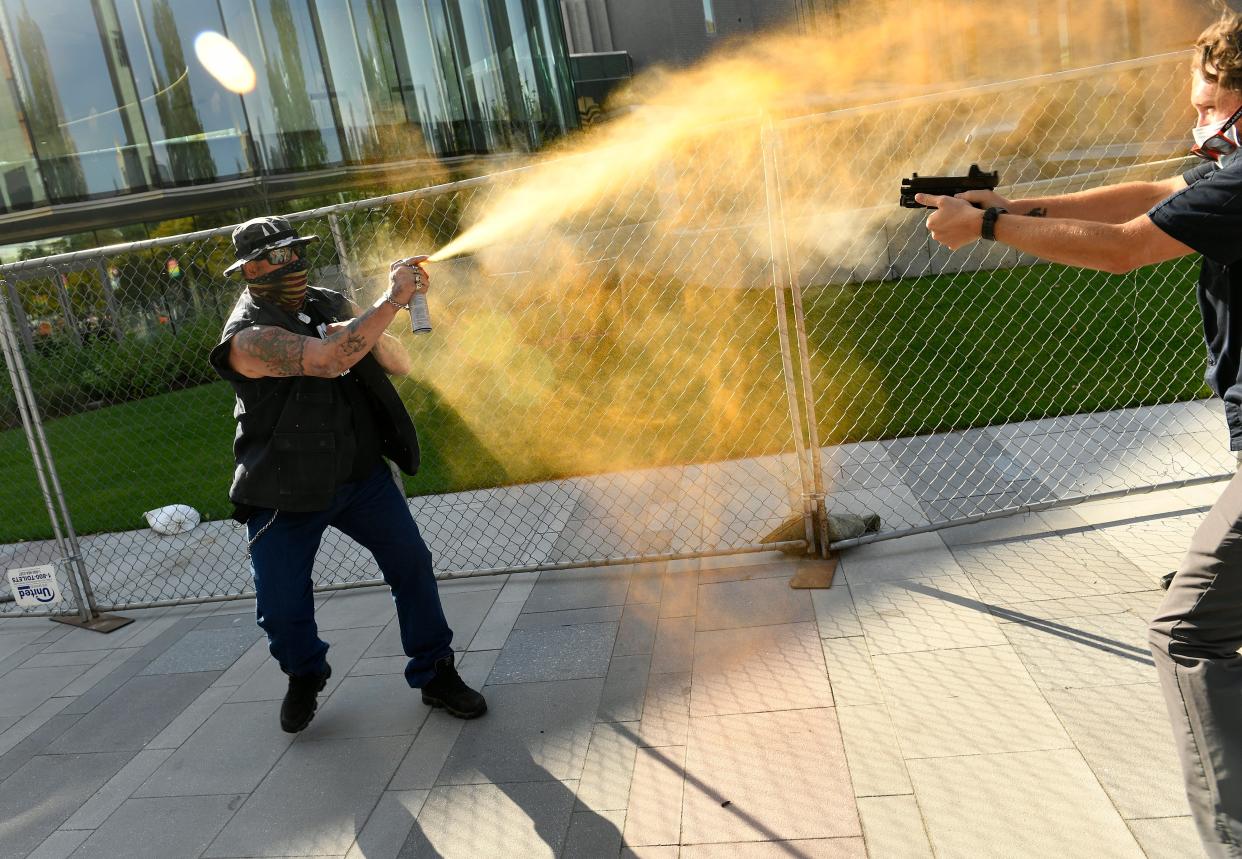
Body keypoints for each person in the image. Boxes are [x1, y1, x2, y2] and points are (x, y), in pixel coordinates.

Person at [919, 15, 1242, 856]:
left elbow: (1127, 248)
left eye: (1211, 102)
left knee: (1189, 631)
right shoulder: (1231, 173)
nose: (1198, 119)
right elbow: (1151, 199)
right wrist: (1012, 203)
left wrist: (990, 228)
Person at [209, 215, 487, 733]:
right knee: (282, 611)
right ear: (251, 270)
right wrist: (388, 304)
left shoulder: (327, 301)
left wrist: (365, 328)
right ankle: (306, 672)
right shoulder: (246, 337)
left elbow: (397, 362)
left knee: (412, 565)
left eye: (297, 252)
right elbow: (324, 361)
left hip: (359, 476)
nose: (293, 265)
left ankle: (435, 671)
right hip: (285, 489)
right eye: (279, 257)